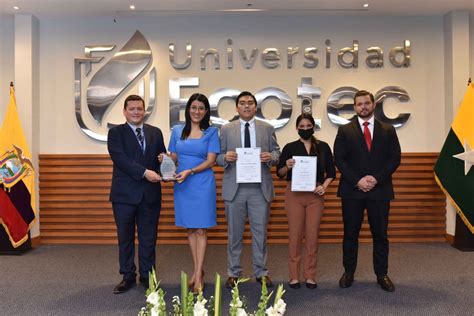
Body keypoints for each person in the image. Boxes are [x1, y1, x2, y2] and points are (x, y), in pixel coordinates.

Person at [334, 90, 401, 292]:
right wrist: (358, 180)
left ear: (373, 105)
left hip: (379, 191)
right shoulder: (344, 131)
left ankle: (382, 274)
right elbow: (340, 159)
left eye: (366, 103)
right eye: (359, 104)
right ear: (354, 107)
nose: (363, 107)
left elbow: (394, 158)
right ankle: (349, 273)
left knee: (380, 235)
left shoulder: (388, 130)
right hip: (352, 191)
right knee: (350, 234)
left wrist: (376, 179)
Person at [216, 91, 280, 289]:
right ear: (237, 107)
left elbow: (277, 152)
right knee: (234, 234)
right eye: (242, 103)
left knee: (260, 234)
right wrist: (225, 157)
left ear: (255, 107)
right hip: (235, 189)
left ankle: (261, 272)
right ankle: (233, 273)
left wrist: (271, 157)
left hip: (259, 189)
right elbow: (216, 156)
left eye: (250, 103)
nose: (246, 106)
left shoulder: (267, 128)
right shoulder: (226, 130)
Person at [107, 94, 166, 294]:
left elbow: (162, 158)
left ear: (144, 111)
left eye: (139, 109)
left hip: (150, 195)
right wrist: (144, 173)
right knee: (125, 238)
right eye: (131, 109)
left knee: (148, 238)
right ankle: (127, 276)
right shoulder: (115, 133)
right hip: (124, 196)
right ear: (124, 111)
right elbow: (120, 159)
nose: (136, 112)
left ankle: (148, 277)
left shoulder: (155, 133)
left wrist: (163, 159)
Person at [164, 93, 220, 293]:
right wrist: (166, 159)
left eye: (201, 108)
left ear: (206, 112)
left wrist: (191, 171)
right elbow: (174, 157)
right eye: (193, 107)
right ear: (188, 109)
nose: (197, 111)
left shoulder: (211, 132)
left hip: (202, 182)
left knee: (201, 230)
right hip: (182, 183)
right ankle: (198, 271)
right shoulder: (177, 130)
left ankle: (197, 275)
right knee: (189, 228)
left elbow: (211, 160)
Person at [277, 113, 335, 290]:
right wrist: (287, 165)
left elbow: (331, 173)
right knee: (294, 236)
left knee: (312, 236)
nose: (305, 129)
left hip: (315, 195)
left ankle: (310, 275)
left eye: (308, 126)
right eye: (301, 127)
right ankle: (294, 276)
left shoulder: (323, 147)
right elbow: (279, 174)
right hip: (294, 193)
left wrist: (324, 186)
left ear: (313, 127)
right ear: (296, 128)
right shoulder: (289, 147)